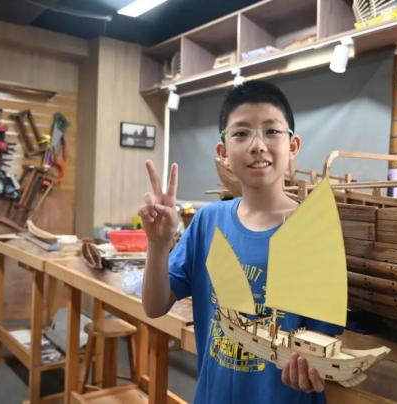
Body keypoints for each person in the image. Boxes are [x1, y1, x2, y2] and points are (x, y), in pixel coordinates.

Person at [140, 80, 342, 403]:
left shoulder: (315, 230)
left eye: (272, 131)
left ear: (293, 146)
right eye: (241, 133)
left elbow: (322, 346)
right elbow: (154, 306)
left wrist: (311, 370)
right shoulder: (208, 222)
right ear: (223, 153)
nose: (258, 145)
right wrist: (158, 244)